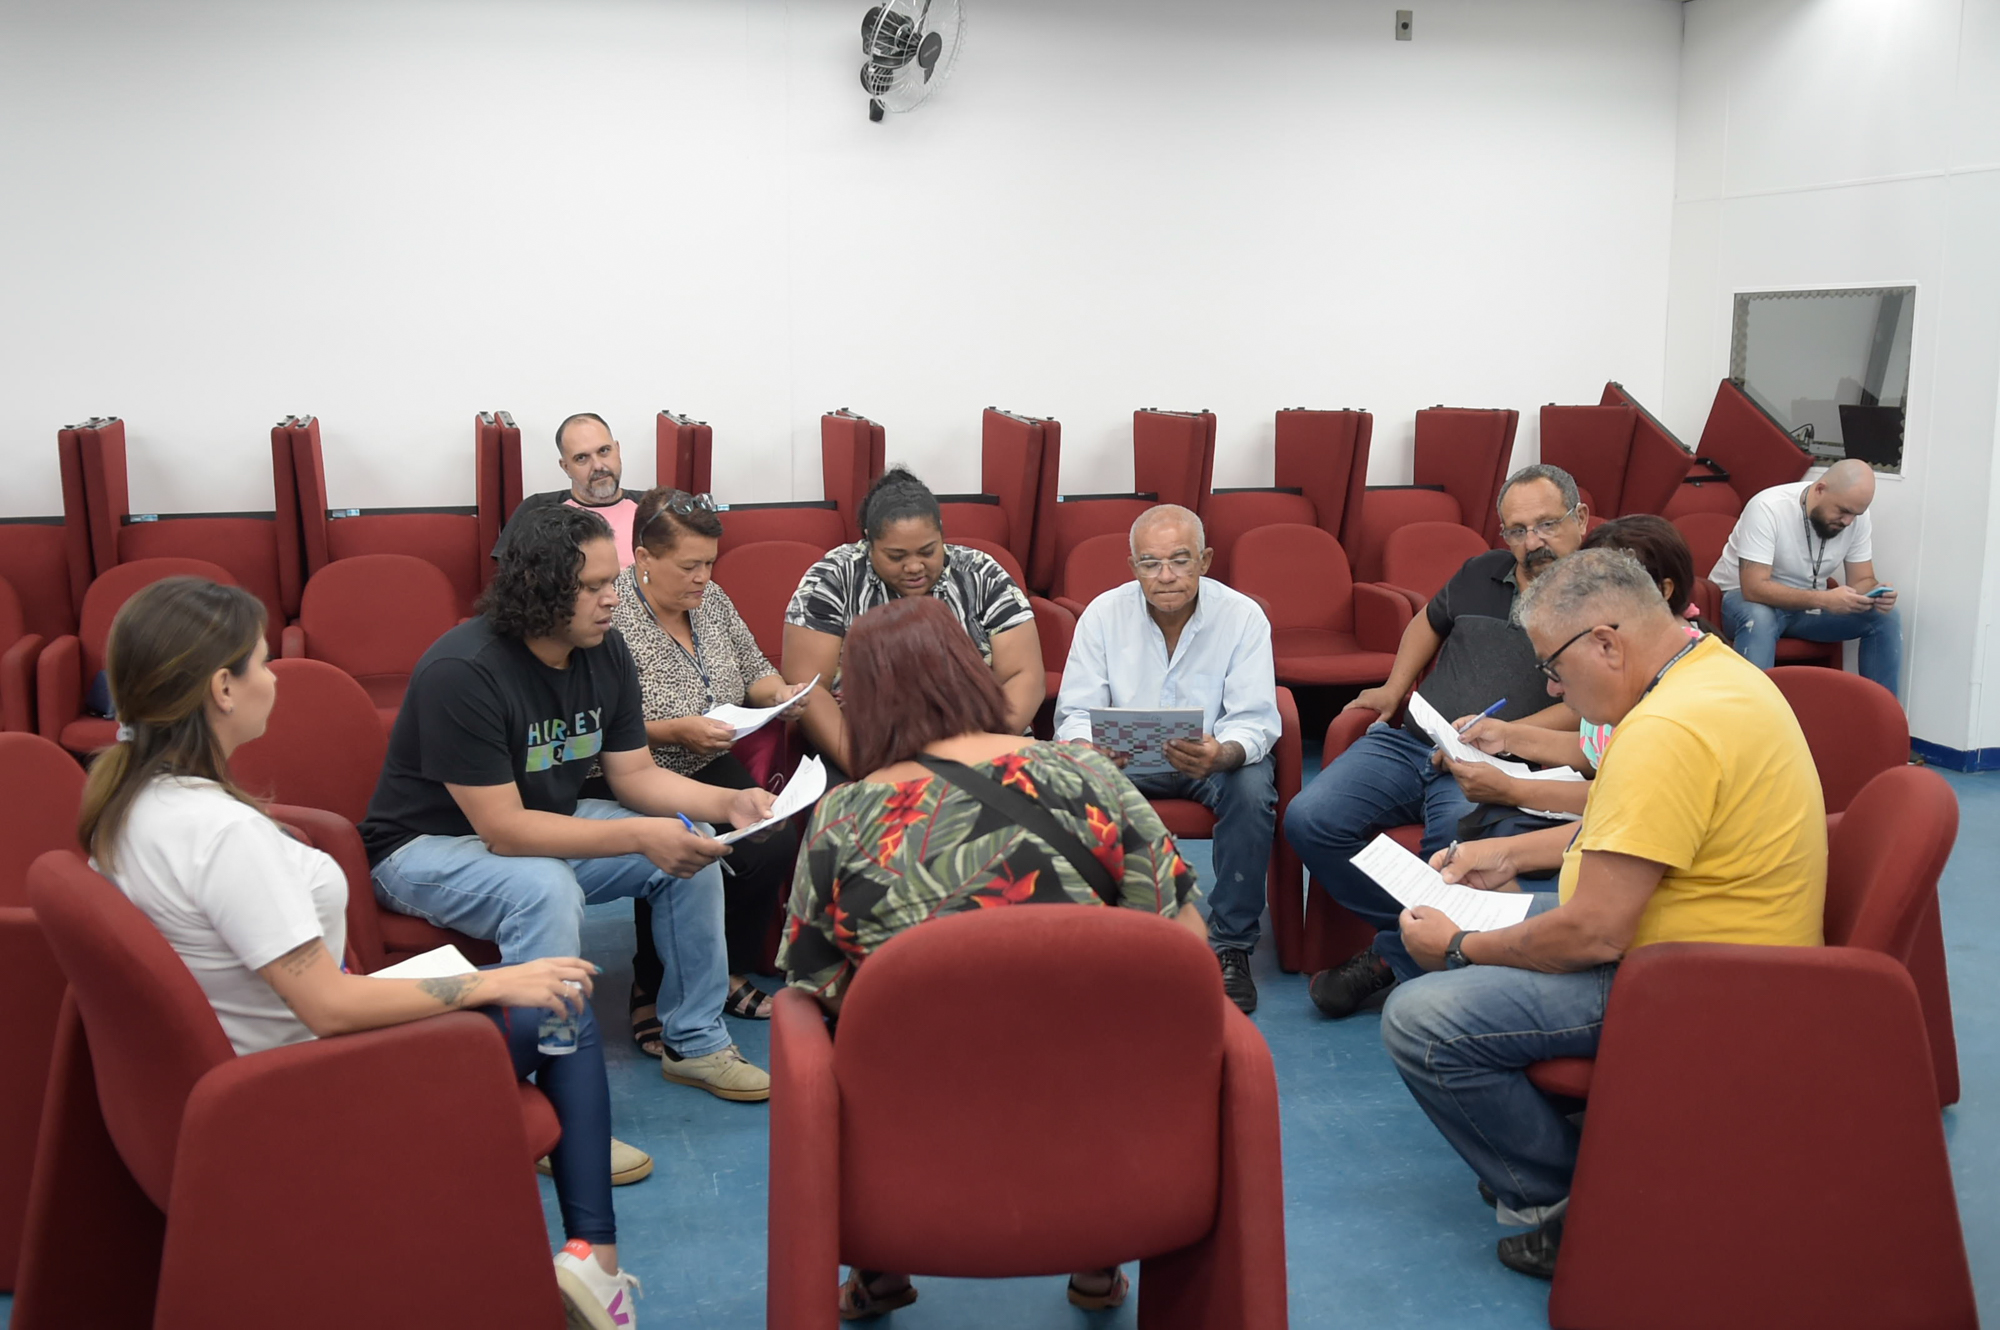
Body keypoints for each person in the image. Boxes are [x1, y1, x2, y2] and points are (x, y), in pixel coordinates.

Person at [79, 576, 644, 1329]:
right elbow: (329, 1006)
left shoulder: (128, 804)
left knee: (541, 987)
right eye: (260, 661)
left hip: (253, 1057)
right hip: (308, 1078)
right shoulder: (223, 835)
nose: (273, 677)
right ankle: (596, 1261)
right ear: (222, 688)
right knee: (560, 995)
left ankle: (590, 1264)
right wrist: (495, 984)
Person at [1379, 548, 1826, 1277]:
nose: (1553, 687)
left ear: (1607, 644)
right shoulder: (1713, 673)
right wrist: (1509, 855)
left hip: (1693, 978)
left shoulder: (1665, 731)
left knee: (1419, 1020)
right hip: (1713, 939)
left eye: (1553, 668)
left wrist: (1461, 947)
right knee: (1491, 917)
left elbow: (1595, 930)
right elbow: (1633, 832)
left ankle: (1574, 1202)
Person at [780, 596, 1204, 1320]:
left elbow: (816, 982)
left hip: (922, 1115)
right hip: (1103, 1100)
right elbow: (1183, 943)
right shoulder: (1088, 776)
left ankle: (880, 1269)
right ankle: (1099, 1253)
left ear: (866, 702)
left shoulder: (843, 819)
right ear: (971, 673)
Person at [361, 503, 777, 1102]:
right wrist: (640, 835)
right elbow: (504, 831)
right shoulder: (464, 671)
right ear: (539, 588)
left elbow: (635, 776)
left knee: (693, 845)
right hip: (424, 847)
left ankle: (695, 1041)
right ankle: (552, 1087)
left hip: (540, 823)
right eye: (592, 586)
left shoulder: (604, 650)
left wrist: (730, 802)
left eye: (612, 580)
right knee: (545, 888)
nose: (613, 599)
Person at [1283, 464, 1589, 1019]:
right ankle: (1411, 940)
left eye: (1547, 524)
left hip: (1497, 765)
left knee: (1454, 850)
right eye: (1518, 530)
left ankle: (1390, 956)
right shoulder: (1482, 571)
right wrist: (1392, 688)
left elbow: (1591, 706)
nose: (1533, 543)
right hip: (1414, 741)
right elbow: (1428, 620)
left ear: (1581, 519)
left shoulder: (1600, 596)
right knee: (1310, 818)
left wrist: (1509, 736)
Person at [1054, 503, 1278, 1014]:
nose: (1166, 576)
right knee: (1072, 780)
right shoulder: (1102, 615)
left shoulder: (1242, 616)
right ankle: (1105, 939)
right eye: (1150, 563)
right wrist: (1089, 749)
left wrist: (1224, 753)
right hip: (1126, 760)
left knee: (1251, 787)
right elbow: (1075, 713)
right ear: (1132, 566)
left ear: (1205, 560)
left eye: (1180, 560)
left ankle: (1231, 945)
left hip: (1210, 758)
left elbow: (1255, 717)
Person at [611, 486, 812, 1049]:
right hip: (636, 763)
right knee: (680, 851)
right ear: (644, 558)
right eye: (689, 566)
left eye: (710, 563)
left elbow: (754, 668)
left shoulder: (712, 600)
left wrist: (780, 695)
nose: (703, 577)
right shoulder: (611, 614)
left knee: (770, 837)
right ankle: (650, 984)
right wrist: (673, 729)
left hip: (708, 756)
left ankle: (727, 970)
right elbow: (602, 721)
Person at [1441, 514, 1710, 820]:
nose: (1553, 689)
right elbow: (1595, 749)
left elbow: (1625, 802)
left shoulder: (1676, 697)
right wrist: (1507, 736)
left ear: (1659, 591)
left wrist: (1513, 789)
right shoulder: (1636, 665)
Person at [782, 467, 1044, 776]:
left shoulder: (982, 574)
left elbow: (1025, 676)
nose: (914, 566)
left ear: (941, 534)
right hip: (865, 748)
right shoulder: (833, 578)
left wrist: (979, 757)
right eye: (896, 556)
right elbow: (809, 689)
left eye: (928, 551)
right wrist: (861, 766)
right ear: (868, 542)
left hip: (984, 744)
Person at [1710, 457, 1902, 698]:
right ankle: (1753, 713)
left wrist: (1875, 592)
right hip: (1744, 600)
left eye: (1856, 514)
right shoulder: (1767, 507)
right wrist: (1824, 600)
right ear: (1820, 489)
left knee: (1885, 617)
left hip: (1806, 607)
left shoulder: (1855, 517)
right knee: (1760, 617)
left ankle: (1883, 715)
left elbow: (1861, 580)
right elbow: (1754, 588)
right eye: (1843, 511)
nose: (1848, 521)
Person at [495, 412, 645, 566]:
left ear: (617, 450)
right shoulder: (537, 510)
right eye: (581, 458)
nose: (598, 466)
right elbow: (511, 576)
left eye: (604, 451)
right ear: (566, 467)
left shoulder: (652, 507)